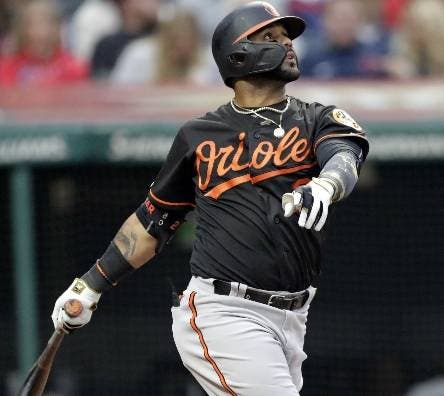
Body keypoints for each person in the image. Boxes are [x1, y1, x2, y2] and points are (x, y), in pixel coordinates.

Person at [51, 1, 369, 394]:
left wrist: (326, 184)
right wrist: (89, 285)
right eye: (271, 37)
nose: (287, 44)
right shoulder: (199, 135)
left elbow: (344, 156)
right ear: (236, 54)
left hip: (293, 315)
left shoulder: (315, 117)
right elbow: (154, 221)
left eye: (287, 38)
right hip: (224, 311)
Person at [0, 0, 88, 86]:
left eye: (48, 24)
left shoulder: (75, 69)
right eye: (32, 25)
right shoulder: (6, 69)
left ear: (58, 29)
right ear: (21, 30)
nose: (41, 33)